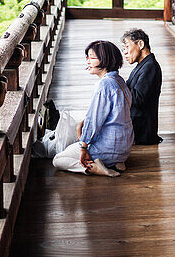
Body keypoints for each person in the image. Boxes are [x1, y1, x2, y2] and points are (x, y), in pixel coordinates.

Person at [52, 40, 133, 177]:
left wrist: (84, 147)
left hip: (107, 148)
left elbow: (93, 121)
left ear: (105, 60)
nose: (88, 61)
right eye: (87, 57)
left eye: (92, 58)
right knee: (78, 134)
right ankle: (116, 162)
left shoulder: (104, 85)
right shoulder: (119, 80)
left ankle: (94, 167)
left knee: (58, 160)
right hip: (124, 148)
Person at [121, 28, 163, 145]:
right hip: (137, 125)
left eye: (127, 47)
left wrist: (119, 86)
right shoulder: (143, 65)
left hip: (142, 131)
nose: (125, 52)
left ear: (140, 44)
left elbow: (137, 99)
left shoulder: (150, 67)